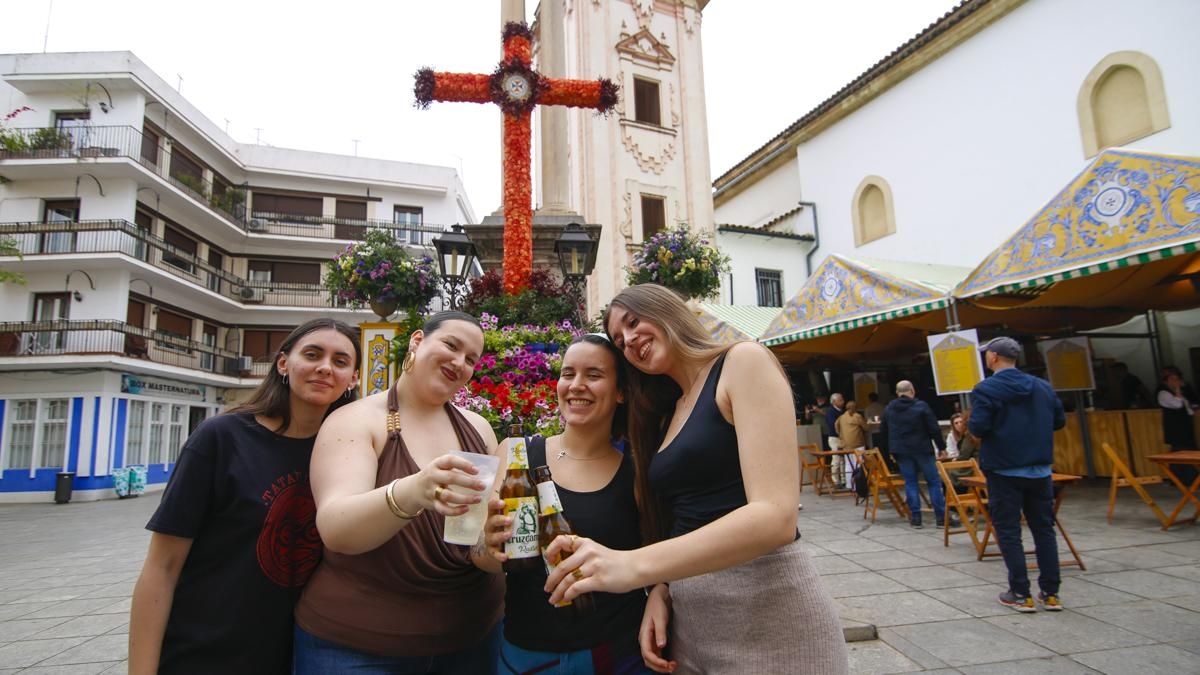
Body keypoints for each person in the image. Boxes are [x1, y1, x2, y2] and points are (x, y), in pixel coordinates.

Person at [543, 283, 848, 674]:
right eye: (620, 341)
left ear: (667, 309)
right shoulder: (667, 412)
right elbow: (683, 515)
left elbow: (776, 516)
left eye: (635, 322)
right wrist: (663, 588)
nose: (630, 340)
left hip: (768, 607)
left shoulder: (742, 361)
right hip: (691, 626)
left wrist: (633, 566)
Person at [129, 319, 361, 675]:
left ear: (354, 378)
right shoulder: (222, 438)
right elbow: (163, 566)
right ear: (283, 364)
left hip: (302, 656)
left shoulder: (353, 455)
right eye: (312, 354)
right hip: (206, 652)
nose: (325, 367)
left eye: (340, 361)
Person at [292, 311, 505, 674]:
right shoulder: (357, 420)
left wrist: (495, 542)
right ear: (418, 341)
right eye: (451, 345)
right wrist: (414, 490)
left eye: (471, 359)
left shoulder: (479, 429)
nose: (459, 362)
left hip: (471, 640)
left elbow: (476, 548)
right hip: (358, 648)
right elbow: (336, 528)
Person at [484, 334, 656, 674]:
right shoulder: (517, 453)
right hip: (527, 655)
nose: (576, 385)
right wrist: (487, 546)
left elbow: (659, 553)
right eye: (568, 374)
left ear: (621, 391)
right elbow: (480, 558)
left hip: (616, 654)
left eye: (593, 375)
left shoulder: (638, 469)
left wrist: (661, 594)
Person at [969, 336, 1066, 613]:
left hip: (1004, 468)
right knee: (1044, 529)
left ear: (994, 358)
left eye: (987, 353)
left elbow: (979, 427)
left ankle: (1020, 592)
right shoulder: (1042, 387)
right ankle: (1050, 593)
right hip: (1039, 468)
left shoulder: (986, 389)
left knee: (1009, 530)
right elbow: (1059, 420)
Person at [880, 380, 948, 530]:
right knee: (933, 482)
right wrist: (941, 447)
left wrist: (889, 451)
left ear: (897, 393)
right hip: (922, 448)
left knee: (910, 483)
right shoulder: (921, 406)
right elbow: (933, 428)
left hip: (902, 450)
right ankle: (941, 517)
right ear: (912, 390)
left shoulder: (889, 409)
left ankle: (916, 518)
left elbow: (883, 431)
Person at [1157, 366, 1199, 486]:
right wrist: (1178, 390)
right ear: (1166, 381)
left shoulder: (1182, 393)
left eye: (1177, 379)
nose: (1176, 381)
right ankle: (1188, 480)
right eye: (1172, 379)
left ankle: (1181, 479)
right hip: (1175, 428)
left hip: (1185, 426)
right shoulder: (1163, 393)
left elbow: (1189, 408)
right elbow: (1177, 404)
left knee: (1184, 452)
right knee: (1182, 452)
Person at [943, 412, 981, 493]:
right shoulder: (953, 435)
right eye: (956, 423)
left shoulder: (969, 435)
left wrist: (956, 460)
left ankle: (957, 500)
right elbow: (951, 450)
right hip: (975, 463)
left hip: (974, 465)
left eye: (961, 422)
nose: (959, 425)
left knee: (949, 474)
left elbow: (964, 454)